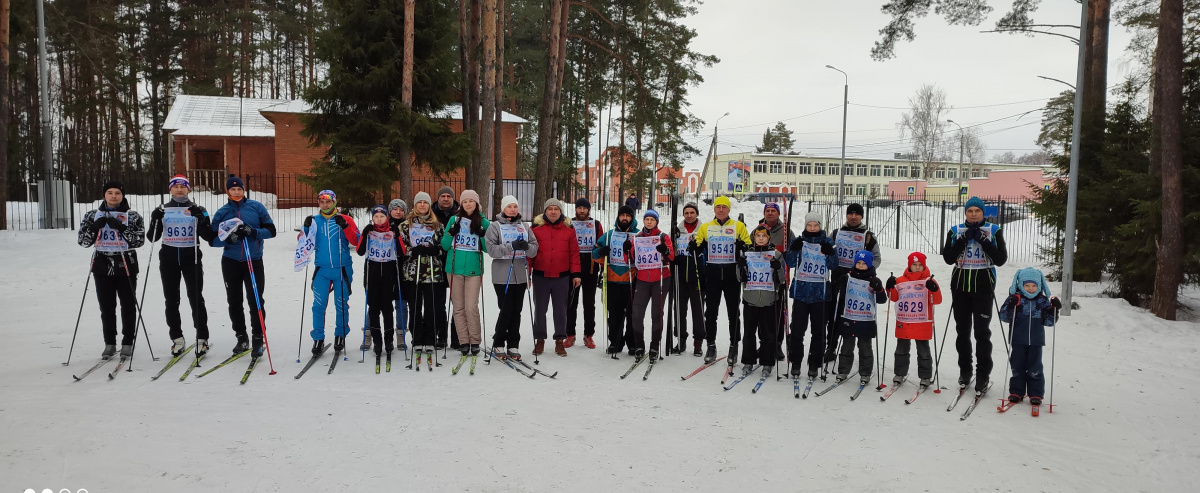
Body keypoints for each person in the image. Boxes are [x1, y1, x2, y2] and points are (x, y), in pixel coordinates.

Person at [941, 196, 1009, 393]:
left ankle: (983, 375)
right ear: (965, 213)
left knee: (982, 333)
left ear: (983, 212)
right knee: (962, 331)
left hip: (983, 287)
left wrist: (983, 241)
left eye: (976, 211)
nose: (973, 214)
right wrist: (963, 240)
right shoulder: (955, 231)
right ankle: (965, 371)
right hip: (960, 287)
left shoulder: (994, 231)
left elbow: (1001, 259)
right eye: (969, 211)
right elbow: (948, 258)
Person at [146, 175, 216, 357]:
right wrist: (155, 219)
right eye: (175, 186)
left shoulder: (198, 209)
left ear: (189, 189)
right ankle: (177, 338)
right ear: (170, 189)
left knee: (196, 299)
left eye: (182, 186)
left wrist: (200, 219)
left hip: (190, 258)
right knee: (171, 300)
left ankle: (202, 338)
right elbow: (152, 237)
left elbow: (209, 236)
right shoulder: (162, 209)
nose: (179, 190)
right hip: (169, 259)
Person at [77, 181, 146, 359]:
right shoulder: (92, 215)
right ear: (104, 195)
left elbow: (138, 241)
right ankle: (109, 343)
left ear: (122, 195)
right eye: (110, 192)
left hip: (126, 263)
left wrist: (121, 228)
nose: (114, 196)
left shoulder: (133, 216)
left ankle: (127, 342)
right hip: (102, 264)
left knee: (128, 305)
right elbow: (83, 242)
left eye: (117, 193)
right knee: (106, 307)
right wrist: (94, 227)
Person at [210, 175, 276, 357]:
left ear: (244, 190)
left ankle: (257, 337)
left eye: (239, 189)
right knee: (234, 300)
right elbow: (212, 240)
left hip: (253, 260)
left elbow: (272, 231)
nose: (236, 192)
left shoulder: (256, 207)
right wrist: (227, 239)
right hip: (231, 261)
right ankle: (241, 337)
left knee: (256, 300)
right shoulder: (222, 212)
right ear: (227, 191)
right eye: (233, 189)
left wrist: (253, 231)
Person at [690, 195, 751, 365]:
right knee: (711, 313)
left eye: (724, 207)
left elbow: (749, 246)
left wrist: (743, 247)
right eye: (718, 207)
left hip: (732, 274)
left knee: (733, 313)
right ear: (714, 209)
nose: (721, 210)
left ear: (729, 209)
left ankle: (734, 346)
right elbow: (698, 246)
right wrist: (695, 247)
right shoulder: (706, 227)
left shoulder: (738, 226)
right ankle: (711, 345)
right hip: (713, 274)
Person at [301, 189, 361, 356]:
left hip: (342, 268)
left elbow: (357, 241)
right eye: (322, 201)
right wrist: (306, 228)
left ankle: (340, 335)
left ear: (334, 202)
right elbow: (304, 243)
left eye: (328, 201)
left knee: (341, 304)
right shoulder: (314, 221)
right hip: (322, 269)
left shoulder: (345, 219)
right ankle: (318, 338)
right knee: (318, 305)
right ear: (318, 203)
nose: (325, 204)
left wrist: (346, 226)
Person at [824, 203, 880, 363]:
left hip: (858, 283)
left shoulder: (867, 236)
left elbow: (876, 258)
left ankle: (857, 350)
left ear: (861, 216)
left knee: (854, 316)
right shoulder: (836, 233)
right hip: (838, 279)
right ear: (846, 215)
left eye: (857, 214)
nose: (853, 217)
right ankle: (831, 347)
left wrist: (867, 271)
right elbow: (825, 249)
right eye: (851, 214)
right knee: (834, 315)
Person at [784, 212, 837, 379]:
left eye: (816, 225)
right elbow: (790, 263)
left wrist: (830, 253)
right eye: (809, 225)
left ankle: (815, 363)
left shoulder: (828, 242)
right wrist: (792, 250)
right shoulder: (799, 241)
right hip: (801, 292)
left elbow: (834, 266)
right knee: (797, 330)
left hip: (820, 293)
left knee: (818, 331)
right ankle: (796, 362)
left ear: (820, 226)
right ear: (805, 226)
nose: (812, 228)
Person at [485, 195, 538, 360]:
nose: (513, 209)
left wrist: (526, 247)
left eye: (515, 206)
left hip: (520, 275)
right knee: (506, 309)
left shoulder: (524, 226)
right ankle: (499, 342)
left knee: (517, 311)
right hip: (502, 275)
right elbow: (491, 250)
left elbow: (534, 249)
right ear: (503, 208)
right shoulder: (495, 226)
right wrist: (510, 246)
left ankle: (513, 344)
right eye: (509, 206)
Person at [999, 267, 1060, 405]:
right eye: (1027, 285)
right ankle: (1016, 391)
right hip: (1018, 339)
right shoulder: (1015, 299)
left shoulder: (1042, 301)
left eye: (1034, 285)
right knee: (1017, 366)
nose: (1030, 288)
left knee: (1035, 368)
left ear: (1039, 285)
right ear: (1020, 284)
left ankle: (1036, 394)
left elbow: (1049, 322)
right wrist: (1011, 305)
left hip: (1036, 340)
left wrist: (1054, 309)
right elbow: (1004, 317)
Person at [529, 199, 582, 357]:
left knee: (561, 311)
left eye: (556, 209)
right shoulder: (535, 229)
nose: (553, 212)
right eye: (550, 209)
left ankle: (560, 340)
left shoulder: (569, 229)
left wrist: (576, 274)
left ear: (561, 212)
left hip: (561, 277)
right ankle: (540, 339)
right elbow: (530, 254)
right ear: (545, 211)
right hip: (540, 276)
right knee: (540, 310)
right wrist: (528, 273)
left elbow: (574, 253)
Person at [442, 190, 489, 356]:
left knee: (471, 307)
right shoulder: (454, 220)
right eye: (465, 201)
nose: (468, 204)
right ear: (461, 203)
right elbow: (445, 245)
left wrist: (483, 235)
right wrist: (450, 233)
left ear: (476, 203)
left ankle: (475, 340)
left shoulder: (483, 222)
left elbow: (487, 249)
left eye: (471, 201)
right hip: (454, 269)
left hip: (473, 270)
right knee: (459, 308)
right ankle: (464, 341)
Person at [885, 252, 942, 389]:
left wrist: (934, 289)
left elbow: (938, 300)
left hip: (922, 321)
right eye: (914, 265)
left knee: (923, 351)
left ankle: (925, 376)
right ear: (909, 265)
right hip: (905, 321)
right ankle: (899, 373)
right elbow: (893, 297)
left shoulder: (929, 281)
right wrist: (889, 287)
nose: (917, 267)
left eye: (920, 265)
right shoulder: (900, 280)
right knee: (901, 349)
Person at [399, 192, 445, 361]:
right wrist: (413, 251)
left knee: (432, 307)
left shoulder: (437, 225)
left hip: (433, 272)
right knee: (415, 307)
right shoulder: (405, 225)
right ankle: (417, 338)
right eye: (420, 202)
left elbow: (444, 245)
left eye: (426, 202)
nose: (423, 205)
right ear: (415, 205)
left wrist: (436, 250)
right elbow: (401, 247)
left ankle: (430, 339)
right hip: (413, 272)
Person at [737, 225, 786, 379]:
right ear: (754, 238)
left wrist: (778, 268)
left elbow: (782, 279)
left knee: (768, 334)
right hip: (750, 300)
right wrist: (740, 266)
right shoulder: (747, 254)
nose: (761, 239)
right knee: (749, 333)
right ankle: (748, 361)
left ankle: (767, 362)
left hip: (769, 301)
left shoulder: (776, 255)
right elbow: (740, 278)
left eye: (764, 236)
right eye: (758, 236)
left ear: (768, 238)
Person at [831, 250, 887, 384]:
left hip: (866, 320)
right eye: (858, 263)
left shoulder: (873, 280)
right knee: (846, 346)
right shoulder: (848, 277)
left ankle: (866, 372)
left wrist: (879, 289)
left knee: (865, 347)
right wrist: (839, 280)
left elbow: (882, 300)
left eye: (864, 264)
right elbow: (837, 289)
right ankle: (843, 371)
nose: (861, 266)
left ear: (869, 265)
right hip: (849, 317)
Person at [626, 209, 674, 360]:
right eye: (647, 219)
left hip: (660, 277)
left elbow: (672, 256)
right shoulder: (638, 237)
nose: (649, 222)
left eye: (652, 219)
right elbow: (631, 258)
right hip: (642, 279)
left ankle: (654, 345)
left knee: (657, 313)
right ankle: (639, 344)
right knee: (637, 313)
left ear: (656, 221)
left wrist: (665, 250)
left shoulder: (663, 236)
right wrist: (626, 250)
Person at [356, 205, 402, 359]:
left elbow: (402, 252)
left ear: (387, 217)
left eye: (382, 216)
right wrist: (364, 233)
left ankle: (389, 340)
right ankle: (377, 341)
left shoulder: (392, 230)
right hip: (372, 273)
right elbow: (360, 251)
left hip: (388, 273)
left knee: (388, 308)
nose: (379, 219)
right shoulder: (369, 231)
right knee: (374, 309)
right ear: (373, 218)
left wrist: (397, 235)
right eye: (376, 217)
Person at [593, 205, 639, 355]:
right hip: (613, 280)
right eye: (622, 215)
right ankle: (615, 342)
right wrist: (601, 251)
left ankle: (633, 343)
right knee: (614, 314)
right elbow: (594, 254)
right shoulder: (609, 235)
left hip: (632, 281)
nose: (624, 218)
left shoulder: (638, 236)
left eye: (628, 215)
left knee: (633, 315)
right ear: (618, 217)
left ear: (632, 218)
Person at [759, 202, 795, 361]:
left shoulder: (786, 231)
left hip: (779, 278)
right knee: (763, 313)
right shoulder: (759, 229)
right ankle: (764, 342)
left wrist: (788, 253)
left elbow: (794, 255)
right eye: (768, 211)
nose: (770, 213)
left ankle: (777, 343)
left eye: (774, 211)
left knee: (779, 312)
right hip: (761, 279)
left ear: (779, 214)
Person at [567, 197, 603, 349]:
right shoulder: (569, 224)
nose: (582, 211)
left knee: (589, 303)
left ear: (589, 209)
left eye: (585, 208)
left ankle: (589, 335)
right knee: (571, 303)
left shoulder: (596, 224)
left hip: (590, 269)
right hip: (572, 268)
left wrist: (601, 258)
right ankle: (570, 334)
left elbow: (601, 244)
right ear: (575, 209)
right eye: (579, 208)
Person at [671, 202, 704, 355]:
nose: (689, 215)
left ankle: (698, 342)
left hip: (697, 275)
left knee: (697, 310)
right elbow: (671, 251)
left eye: (692, 212)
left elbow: (709, 251)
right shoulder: (677, 230)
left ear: (696, 214)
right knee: (679, 309)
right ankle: (681, 340)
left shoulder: (703, 230)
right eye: (686, 213)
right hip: (680, 276)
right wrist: (674, 259)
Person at [432, 185, 460, 350]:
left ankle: (457, 336)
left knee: (457, 301)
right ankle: (441, 336)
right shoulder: (432, 214)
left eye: (448, 196)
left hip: (455, 261)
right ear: (438, 198)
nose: (445, 199)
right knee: (438, 302)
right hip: (436, 263)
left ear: (452, 198)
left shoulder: (459, 214)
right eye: (442, 196)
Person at [387, 199, 409, 351]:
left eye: (401, 209)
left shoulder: (408, 226)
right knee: (380, 301)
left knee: (402, 302)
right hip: (385, 266)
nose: (398, 211)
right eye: (395, 209)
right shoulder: (382, 223)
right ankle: (370, 332)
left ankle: (401, 334)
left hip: (403, 266)